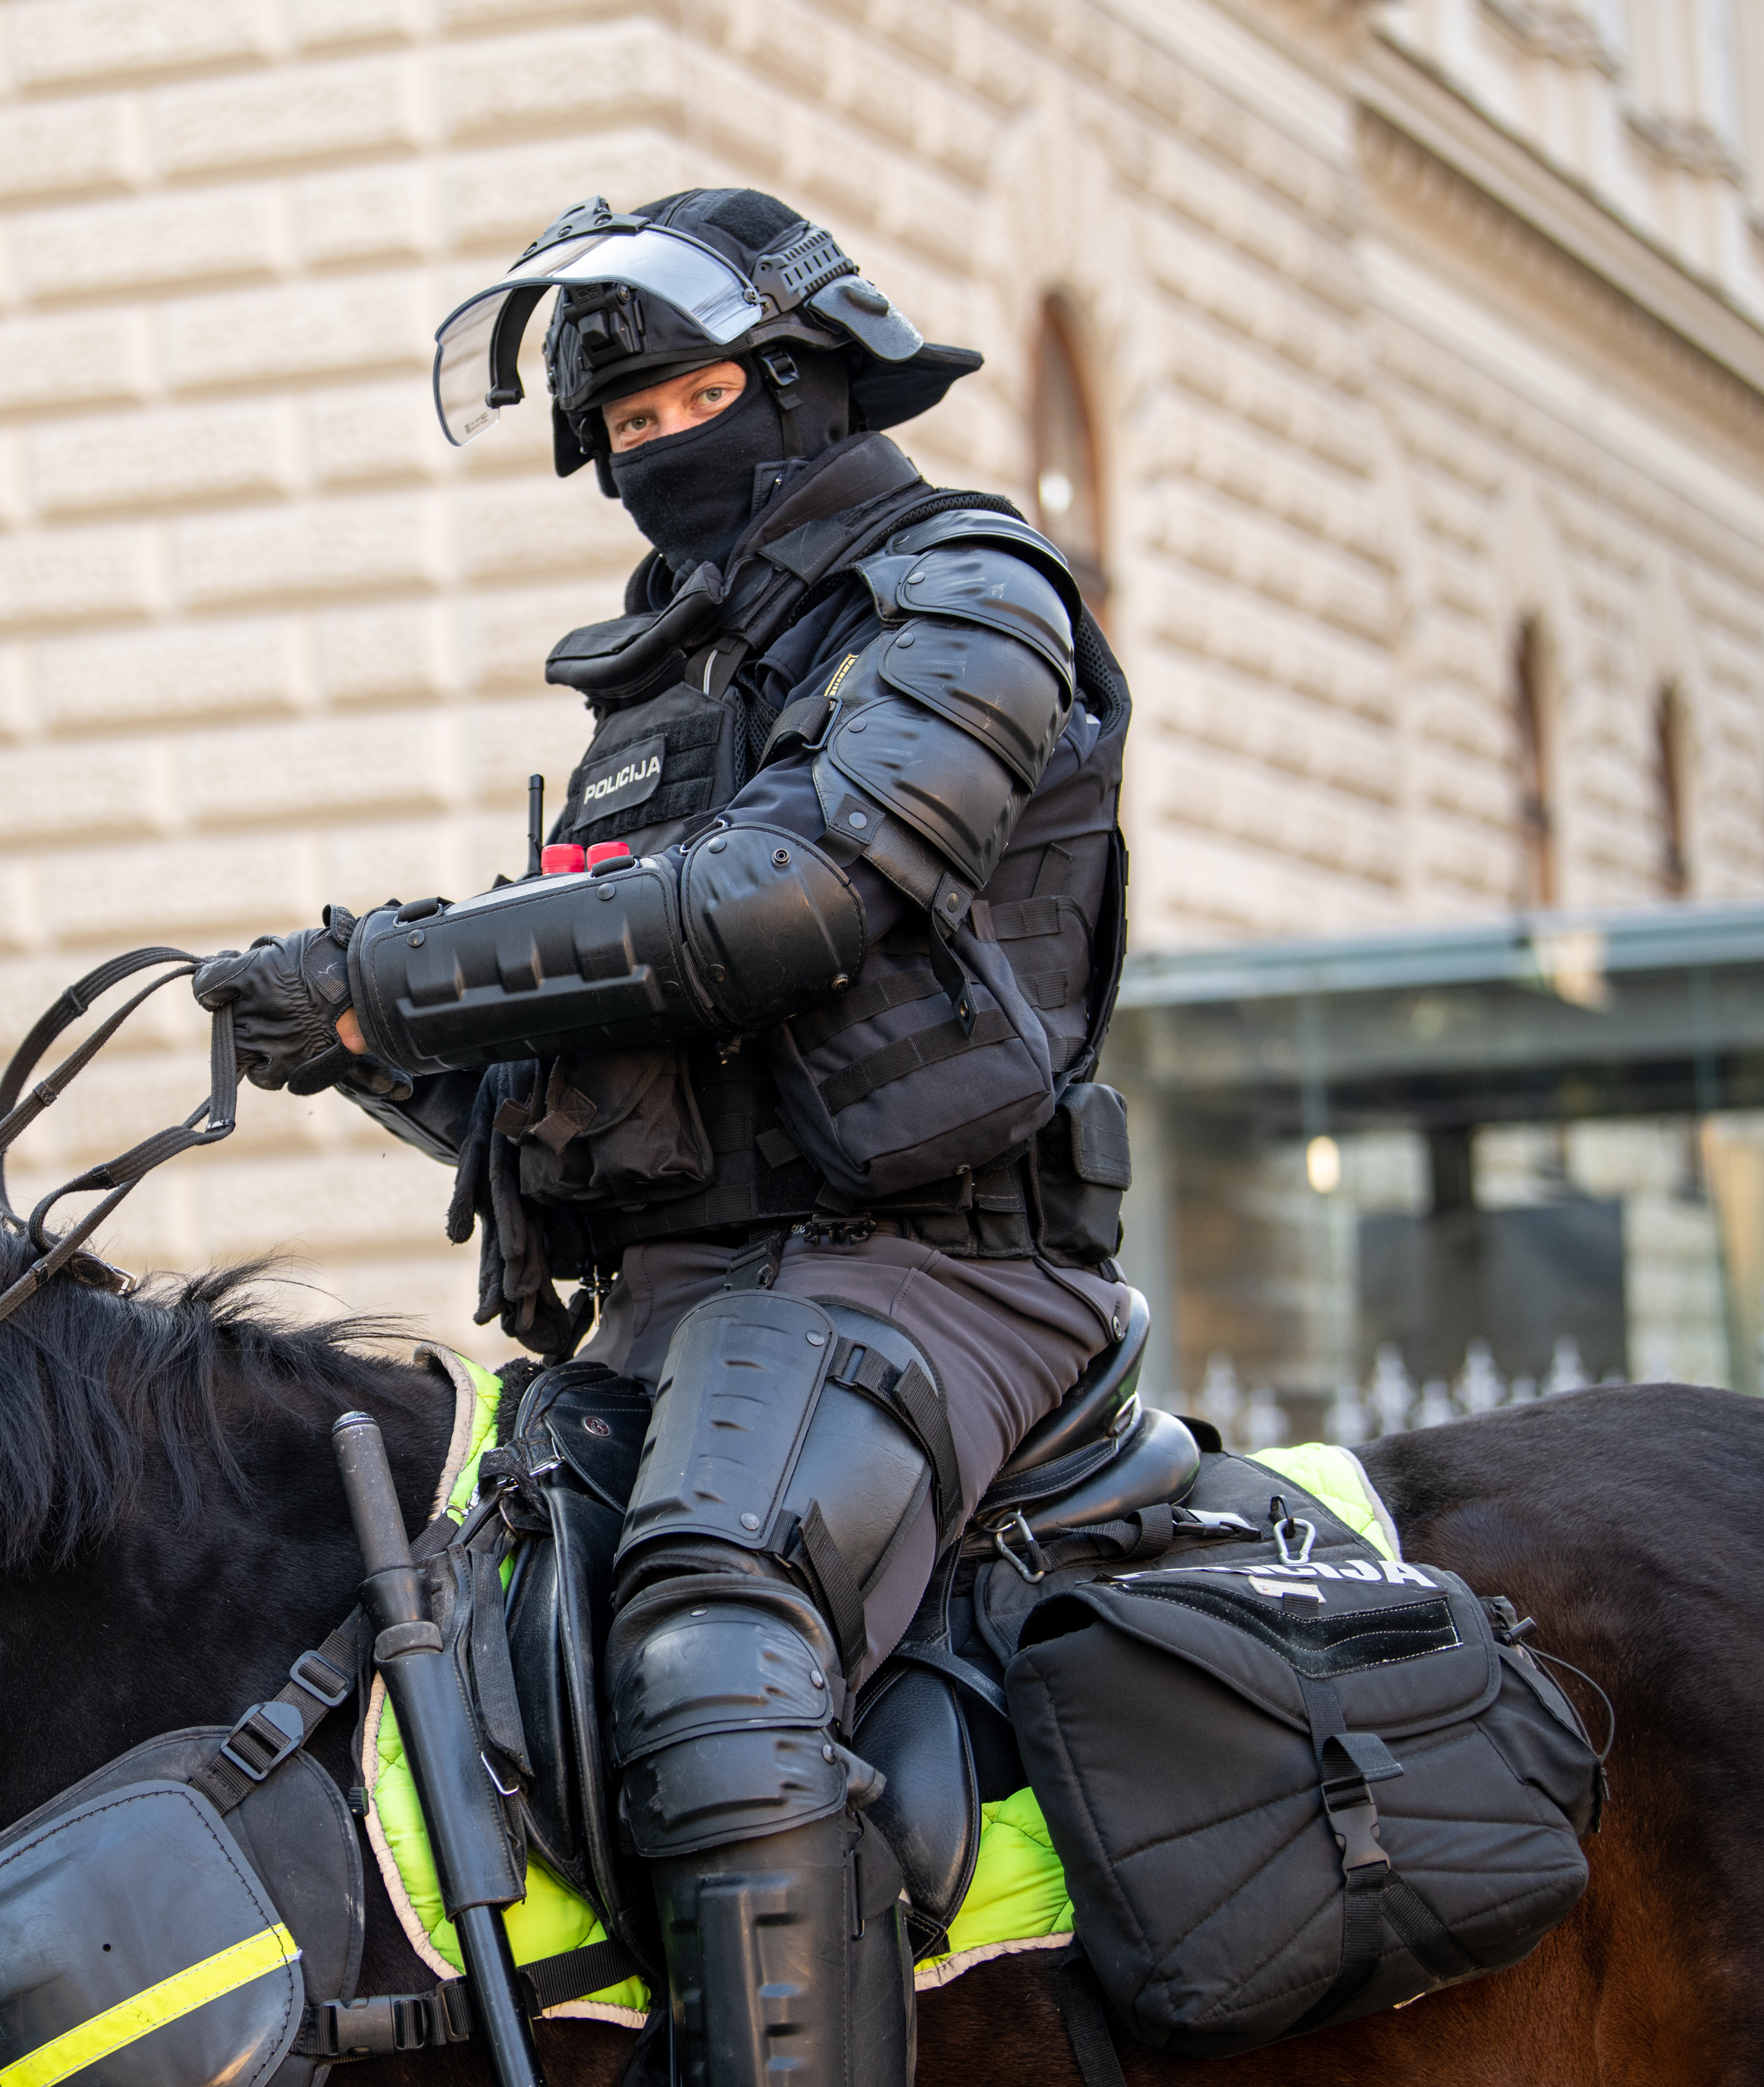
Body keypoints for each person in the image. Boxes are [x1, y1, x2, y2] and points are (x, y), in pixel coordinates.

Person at [196, 190, 1137, 2087]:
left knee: (717, 1637)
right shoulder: (655, 692)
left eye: (684, 400)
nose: (649, 454)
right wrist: (345, 1032)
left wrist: (397, 968)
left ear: (804, 381)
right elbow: (580, 1061)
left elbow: (782, 902)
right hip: (679, 1308)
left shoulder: (967, 591)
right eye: (616, 429)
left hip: (933, 1274)